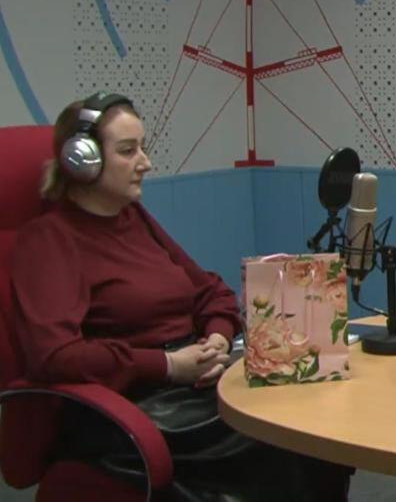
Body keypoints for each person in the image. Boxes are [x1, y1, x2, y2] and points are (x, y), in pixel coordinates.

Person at [10, 92, 353, 500]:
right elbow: (56, 356)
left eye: (143, 148)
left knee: (316, 415)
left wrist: (217, 337)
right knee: (286, 437)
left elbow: (209, 290)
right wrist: (169, 365)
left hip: (190, 383)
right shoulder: (50, 240)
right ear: (82, 160)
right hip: (131, 407)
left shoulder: (133, 219)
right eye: (128, 151)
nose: (145, 162)